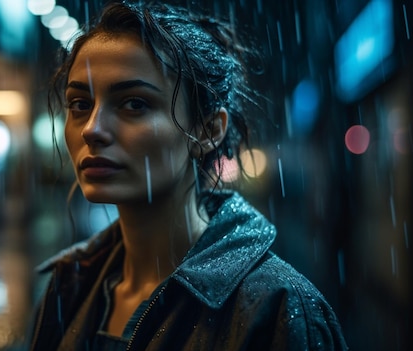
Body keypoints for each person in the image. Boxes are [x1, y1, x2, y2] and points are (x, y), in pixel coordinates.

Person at [28, 1, 348, 350]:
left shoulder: (279, 308)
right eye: (80, 104)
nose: (92, 129)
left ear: (208, 130)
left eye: (134, 103)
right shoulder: (71, 285)